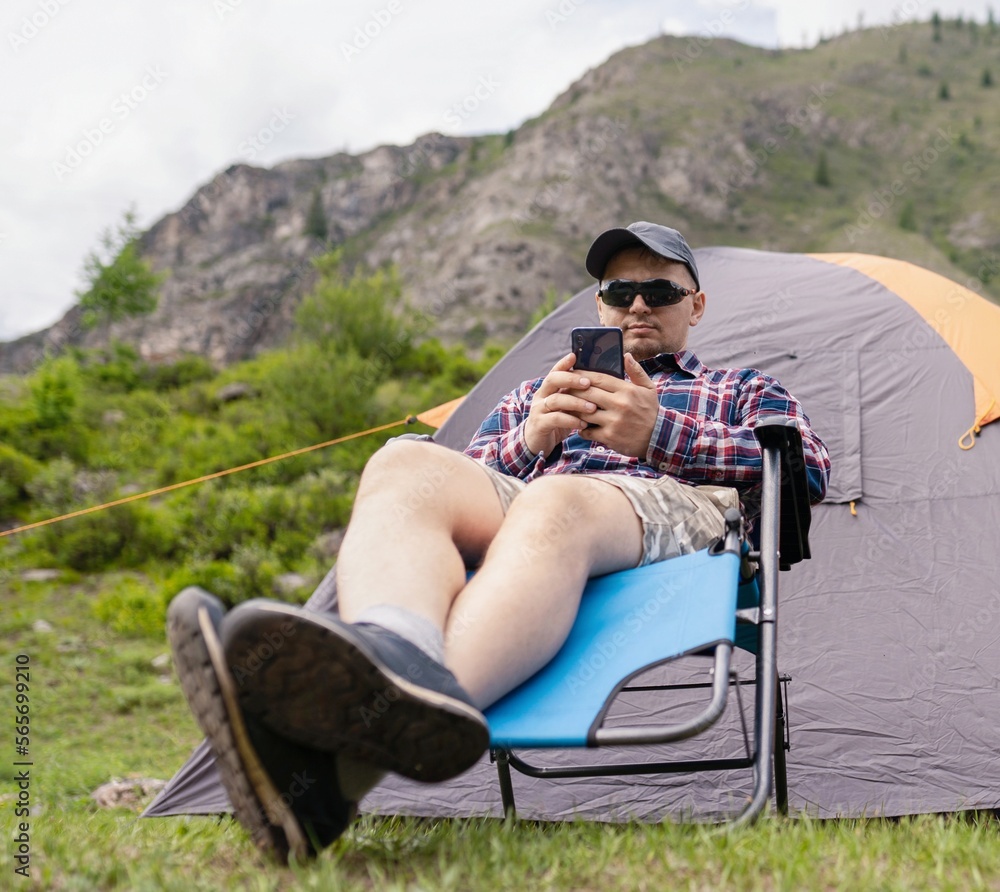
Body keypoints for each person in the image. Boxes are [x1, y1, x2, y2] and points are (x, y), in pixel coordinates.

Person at [168, 221, 832, 862]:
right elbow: (466, 482)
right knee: (404, 463)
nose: (637, 305)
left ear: (696, 306)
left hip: (673, 517)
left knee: (558, 499)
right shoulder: (535, 394)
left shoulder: (741, 388)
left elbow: (808, 469)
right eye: (618, 292)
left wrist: (658, 434)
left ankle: (347, 744)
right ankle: (385, 682)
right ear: (599, 305)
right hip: (532, 524)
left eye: (659, 292)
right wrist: (532, 438)